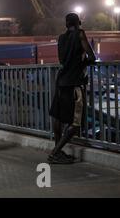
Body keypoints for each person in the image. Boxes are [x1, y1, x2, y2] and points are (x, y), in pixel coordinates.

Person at [48, 13, 96, 164]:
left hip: (61, 81)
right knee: (75, 123)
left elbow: (62, 59)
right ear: (79, 23)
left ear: (66, 24)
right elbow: (91, 56)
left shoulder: (61, 38)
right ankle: (55, 153)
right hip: (74, 83)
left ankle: (58, 150)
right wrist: (82, 63)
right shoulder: (80, 34)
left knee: (58, 117)